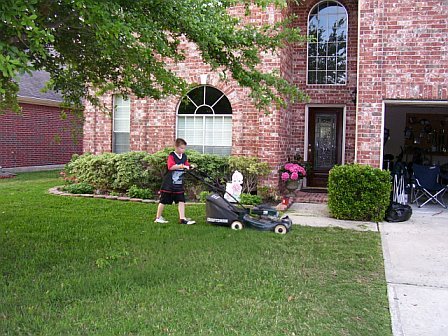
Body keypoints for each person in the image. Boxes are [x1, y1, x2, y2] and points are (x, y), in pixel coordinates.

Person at [154, 138, 196, 225]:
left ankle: (182, 218)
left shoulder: (184, 156)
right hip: (169, 184)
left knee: (181, 200)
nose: (183, 150)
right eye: (181, 148)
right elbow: (171, 167)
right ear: (176, 147)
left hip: (178, 184)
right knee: (163, 200)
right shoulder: (172, 156)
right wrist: (181, 166)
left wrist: (190, 166)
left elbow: (186, 164)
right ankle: (158, 218)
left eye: (184, 148)